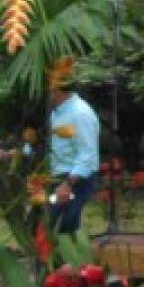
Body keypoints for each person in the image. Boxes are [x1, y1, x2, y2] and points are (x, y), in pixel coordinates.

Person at [47, 73, 100, 234]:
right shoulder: (57, 112)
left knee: (65, 224)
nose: (47, 95)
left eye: (49, 91)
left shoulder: (80, 113)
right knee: (50, 221)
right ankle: (59, 258)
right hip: (59, 177)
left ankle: (71, 257)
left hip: (75, 180)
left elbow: (87, 153)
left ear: (58, 91)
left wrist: (67, 184)